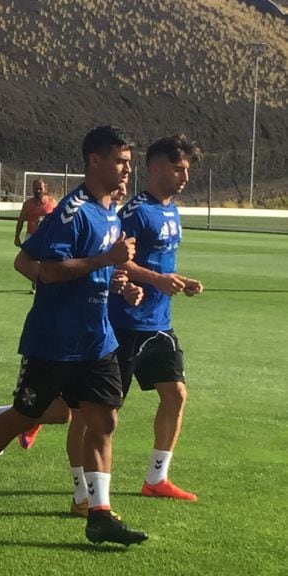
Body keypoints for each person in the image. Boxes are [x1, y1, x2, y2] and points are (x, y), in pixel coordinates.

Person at [0, 126, 149, 546]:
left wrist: (118, 281)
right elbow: (45, 269)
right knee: (27, 416)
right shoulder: (72, 211)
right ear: (94, 161)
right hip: (53, 341)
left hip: (97, 339)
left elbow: (89, 269)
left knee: (104, 419)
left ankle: (98, 513)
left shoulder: (109, 209)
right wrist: (108, 258)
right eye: (120, 162)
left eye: (129, 163)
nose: (126, 171)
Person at [110, 134, 203, 500]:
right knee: (91, 411)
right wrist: (156, 280)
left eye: (187, 170)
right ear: (156, 168)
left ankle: (155, 479)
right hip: (125, 323)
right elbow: (117, 259)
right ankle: (4, 416)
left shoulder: (171, 210)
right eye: (178, 169)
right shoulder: (135, 212)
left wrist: (180, 281)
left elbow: (161, 265)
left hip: (159, 323)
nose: (185, 177)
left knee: (176, 395)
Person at [14, 179, 57, 247]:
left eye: (40, 189)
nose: (38, 191)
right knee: (28, 257)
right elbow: (20, 221)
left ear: (45, 189)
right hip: (31, 237)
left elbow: (58, 220)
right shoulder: (28, 204)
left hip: (47, 237)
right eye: (36, 189)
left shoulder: (52, 203)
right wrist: (17, 237)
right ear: (32, 189)